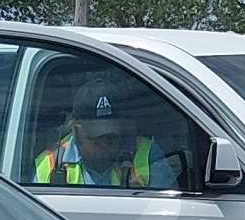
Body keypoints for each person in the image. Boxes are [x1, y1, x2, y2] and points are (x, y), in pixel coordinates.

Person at [34, 74, 178, 188]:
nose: (105, 144)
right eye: (96, 137)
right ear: (75, 130)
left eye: (111, 136)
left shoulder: (148, 155)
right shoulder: (48, 166)